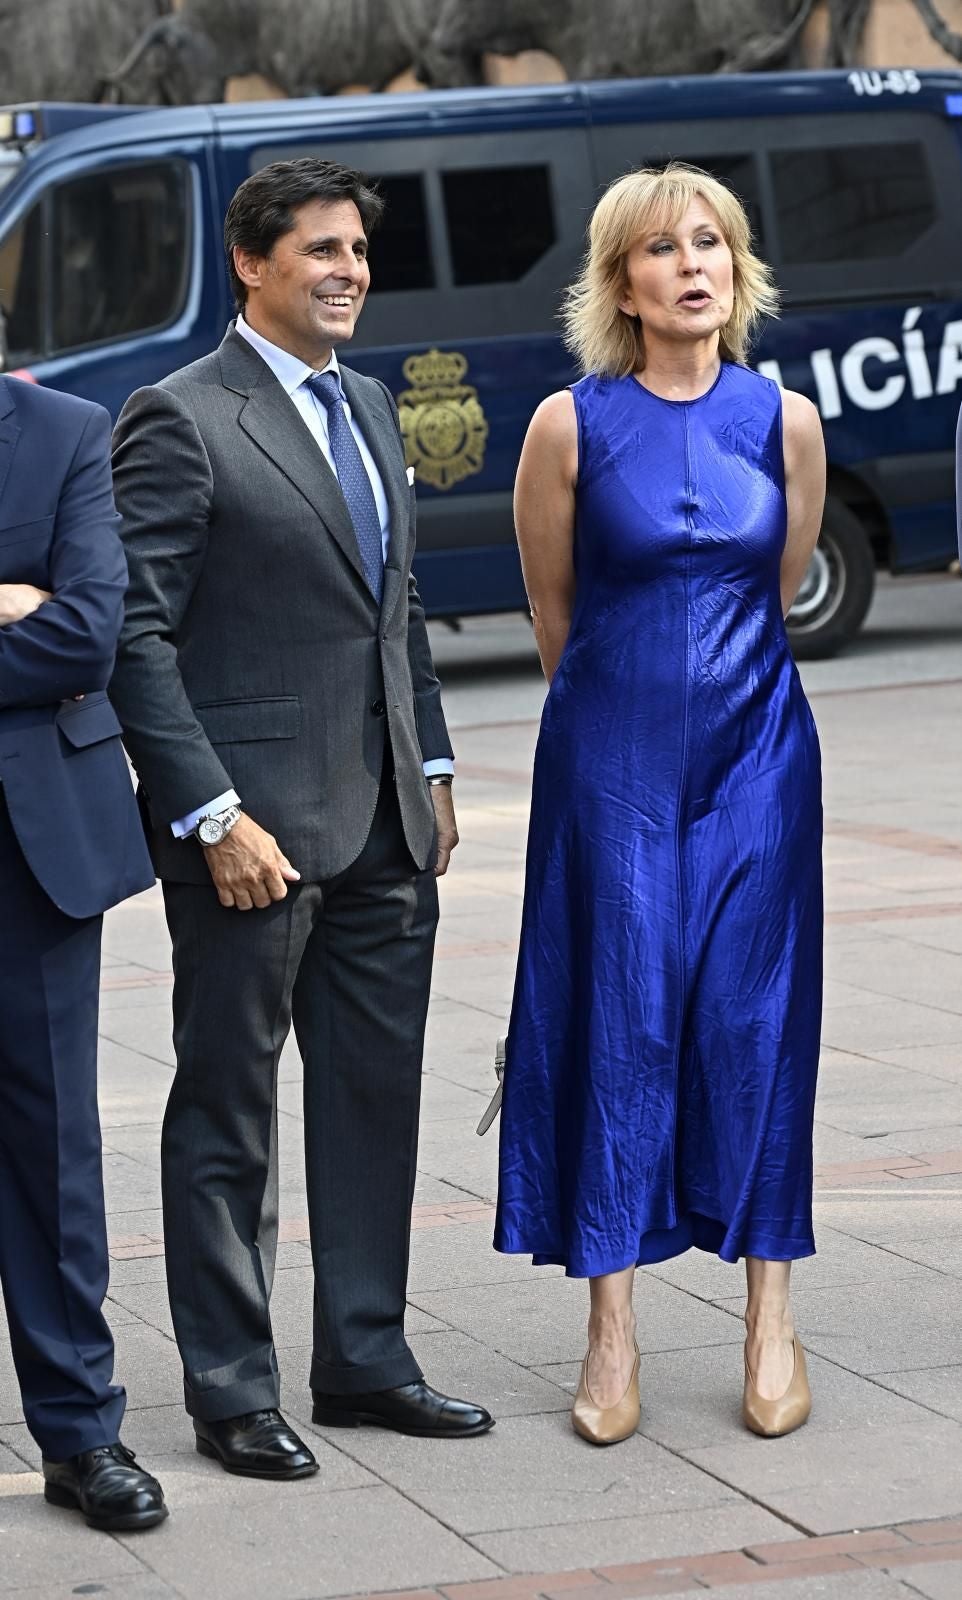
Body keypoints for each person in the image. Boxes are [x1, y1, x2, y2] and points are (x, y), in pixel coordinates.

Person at [108, 157, 493, 1478]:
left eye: (358, 253)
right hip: (251, 843)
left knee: (375, 1100)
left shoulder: (372, 406)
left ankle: (367, 1361)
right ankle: (229, 1390)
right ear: (252, 263)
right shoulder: (180, 414)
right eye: (320, 251)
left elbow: (397, 607)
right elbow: (136, 638)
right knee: (229, 1113)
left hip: (386, 825)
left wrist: (431, 766)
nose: (347, 273)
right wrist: (210, 812)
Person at [496, 163, 825, 1445]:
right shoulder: (566, 426)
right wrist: (614, 730)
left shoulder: (785, 419)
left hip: (759, 765)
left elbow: (778, 580)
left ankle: (769, 1320)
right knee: (617, 1018)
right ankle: (610, 1328)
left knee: (755, 1023)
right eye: (661, 249)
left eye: (712, 244)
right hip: (611, 765)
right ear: (618, 283)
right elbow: (549, 611)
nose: (692, 265)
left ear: (736, 270)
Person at [0, 374, 166, 1528]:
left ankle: (80, 1434)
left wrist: (42, 613)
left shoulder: (66, 432)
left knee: (50, 1144)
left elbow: (88, 629)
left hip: (35, 844)